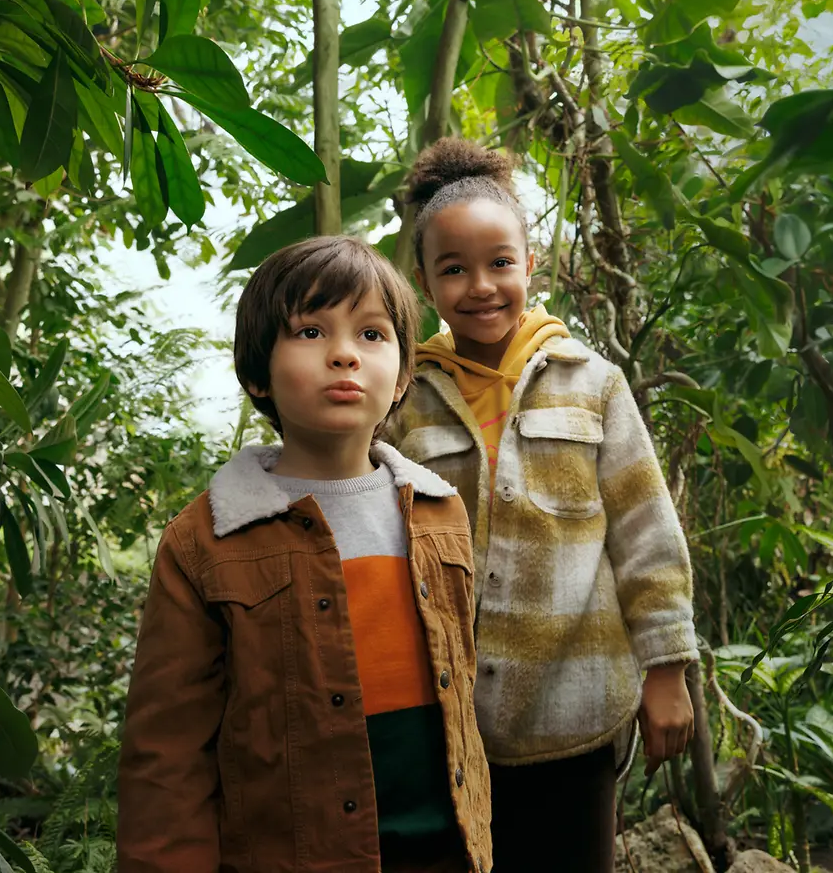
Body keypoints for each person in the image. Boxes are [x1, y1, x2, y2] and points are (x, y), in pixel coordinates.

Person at [118, 237, 492, 873]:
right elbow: (167, 750)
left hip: (449, 851)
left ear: (402, 376)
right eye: (311, 331)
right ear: (257, 372)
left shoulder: (439, 511)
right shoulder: (206, 540)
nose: (344, 353)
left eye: (372, 335)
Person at [385, 138, 698, 873]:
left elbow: (645, 534)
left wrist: (667, 674)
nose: (481, 286)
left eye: (499, 263)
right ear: (425, 284)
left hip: (578, 715)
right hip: (447, 724)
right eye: (453, 269)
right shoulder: (406, 397)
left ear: (530, 266)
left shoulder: (593, 384)